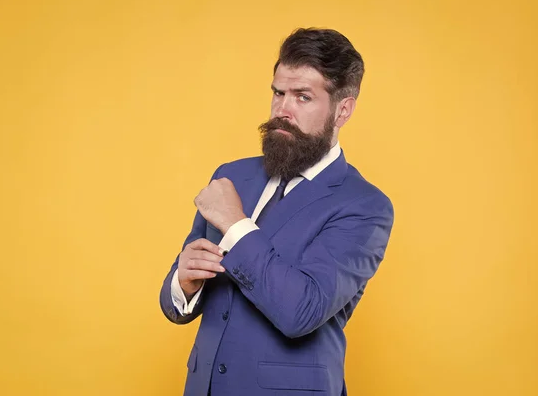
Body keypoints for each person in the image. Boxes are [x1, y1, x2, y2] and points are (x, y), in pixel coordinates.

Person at [159, 27, 394, 396]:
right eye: (278, 93)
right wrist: (183, 284)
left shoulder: (364, 207)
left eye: (303, 97)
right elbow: (179, 297)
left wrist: (235, 225)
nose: (282, 110)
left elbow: (301, 310)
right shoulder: (231, 175)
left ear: (342, 110)